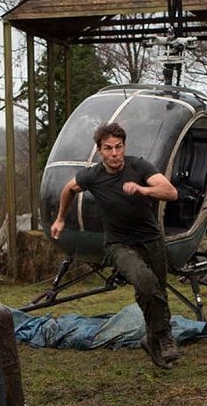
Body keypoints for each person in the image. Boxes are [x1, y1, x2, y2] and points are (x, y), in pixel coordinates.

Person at [50, 122, 180, 369]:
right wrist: (59, 219)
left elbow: (170, 192)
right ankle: (164, 337)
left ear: (124, 147)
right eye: (108, 148)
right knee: (144, 280)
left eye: (119, 147)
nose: (114, 153)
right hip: (119, 244)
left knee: (154, 292)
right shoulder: (93, 176)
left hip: (151, 240)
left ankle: (151, 339)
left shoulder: (139, 166)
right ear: (100, 151)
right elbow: (69, 189)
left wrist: (142, 189)